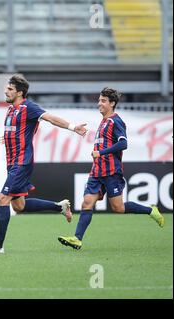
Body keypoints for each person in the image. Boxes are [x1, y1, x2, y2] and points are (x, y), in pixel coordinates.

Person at [0, 74, 88, 254]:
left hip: (22, 162)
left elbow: (50, 118)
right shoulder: (10, 110)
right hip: (12, 162)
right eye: (6, 88)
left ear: (20, 93)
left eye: (10, 89)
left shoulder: (29, 107)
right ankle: (59, 207)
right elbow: (16, 131)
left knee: (2, 199)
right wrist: (7, 138)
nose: (6, 91)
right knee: (18, 206)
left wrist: (72, 127)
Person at [58, 87, 164, 250]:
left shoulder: (116, 121)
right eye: (99, 100)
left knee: (118, 208)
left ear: (112, 103)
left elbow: (123, 143)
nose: (99, 103)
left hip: (111, 171)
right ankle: (77, 239)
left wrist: (101, 152)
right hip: (96, 171)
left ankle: (150, 210)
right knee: (87, 203)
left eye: (103, 101)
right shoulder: (102, 122)